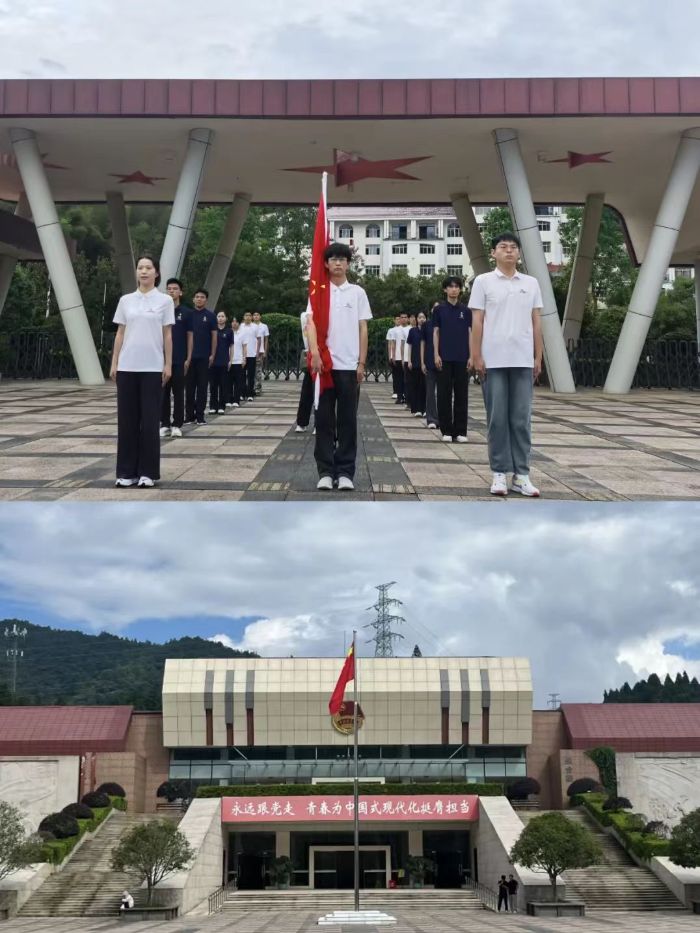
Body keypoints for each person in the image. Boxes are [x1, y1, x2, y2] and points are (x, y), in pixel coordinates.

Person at [469, 232, 543, 498]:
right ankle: (499, 472)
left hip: (522, 360)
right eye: (503, 247)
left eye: (513, 247)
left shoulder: (531, 283)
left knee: (521, 419)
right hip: (493, 360)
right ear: (494, 253)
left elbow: (536, 321)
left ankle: (521, 475)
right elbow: (477, 321)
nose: (509, 251)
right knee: (497, 419)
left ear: (519, 253)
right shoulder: (483, 281)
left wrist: (538, 356)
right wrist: (476, 355)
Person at [307, 242, 371, 491]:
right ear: (325, 263)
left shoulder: (357, 292)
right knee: (323, 419)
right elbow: (310, 324)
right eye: (333, 259)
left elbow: (363, 328)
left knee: (347, 420)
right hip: (323, 365)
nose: (337, 263)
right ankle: (324, 471)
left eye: (342, 259)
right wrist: (315, 354)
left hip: (349, 365)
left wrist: (362, 362)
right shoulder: (318, 292)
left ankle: (345, 471)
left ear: (348, 263)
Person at [110, 254, 174, 488]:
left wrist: (167, 364)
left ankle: (148, 472)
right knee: (127, 421)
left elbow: (167, 335)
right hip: (127, 367)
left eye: (148, 268)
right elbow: (120, 333)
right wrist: (114, 362)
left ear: (156, 273)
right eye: (140, 268)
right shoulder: (126, 300)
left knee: (149, 422)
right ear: (136, 272)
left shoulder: (165, 301)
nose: (144, 271)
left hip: (152, 368)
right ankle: (126, 473)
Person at [433, 275, 471, 443]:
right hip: (444, 357)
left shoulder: (466, 311)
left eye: (457, 286)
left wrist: (471, 355)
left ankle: (461, 431)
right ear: (445, 289)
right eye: (451, 286)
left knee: (462, 394)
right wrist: (436, 354)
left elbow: (470, 333)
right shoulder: (439, 310)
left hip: (463, 357)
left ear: (460, 289)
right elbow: (436, 332)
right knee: (444, 394)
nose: (454, 289)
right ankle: (446, 430)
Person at [160, 277, 192, 439]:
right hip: (162, 359)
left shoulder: (187, 313)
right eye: (169, 288)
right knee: (163, 393)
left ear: (181, 292)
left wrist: (188, 358)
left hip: (180, 359)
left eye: (174, 288)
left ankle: (177, 424)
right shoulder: (160, 310)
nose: (171, 291)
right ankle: (164, 423)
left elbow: (190, 337)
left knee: (178, 393)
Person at [185, 288, 217, 426]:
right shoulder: (188, 315)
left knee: (202, 388)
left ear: (206, 300)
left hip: (204, 357)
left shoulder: (210, 316)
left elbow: (214, 337)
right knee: (189, 388)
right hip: (190, 358)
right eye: (197, 296)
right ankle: (189, 416)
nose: (199, 299)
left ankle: (200, 416)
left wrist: (212, 354)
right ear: (193, 299)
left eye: (202, 297)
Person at [208, 311, 233, 414]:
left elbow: (231, 346)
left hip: (224, 361)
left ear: (226, 318)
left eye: (222, 316)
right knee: (213, 385)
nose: (220, 318)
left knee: (223, 385)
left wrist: (231, 360)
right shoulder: (213, 330)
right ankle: (213, 406)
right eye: (219, 316)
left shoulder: (229, 331)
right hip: (213, 362)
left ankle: (221, 406)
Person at [421, 302, 440, 429]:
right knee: (430, 392)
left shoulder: (445, 324)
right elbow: (422, 343)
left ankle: (442, 418)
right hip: (429, 361)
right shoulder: (426, 325)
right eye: (435, 308)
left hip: (443, 362)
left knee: (444, 392)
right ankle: (431, 419)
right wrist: (422, 362)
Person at [295, 307, 314, 433]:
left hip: (326, 356)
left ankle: (320, 423)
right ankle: (302, 422)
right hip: (311, 356)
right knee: (307, 392)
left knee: (322, 394)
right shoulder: (305, 316)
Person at [406, 311, 426, 417]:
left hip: (426, 363)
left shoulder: (428, 330)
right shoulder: (412, 331)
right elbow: (409, 346)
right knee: (415, 385)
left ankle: (425, 408)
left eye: (423, 317)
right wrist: (409, 360)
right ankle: (416, 408)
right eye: (419, 317)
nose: (421, 319)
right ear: (416, 319)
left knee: (425, 386)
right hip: (415, 361)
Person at [239, 311, 259, 401]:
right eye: (246, 315)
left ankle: (250, 394)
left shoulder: (255, 327)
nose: (247, 317)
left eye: (249, 315)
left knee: (251, 375)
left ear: (251, 317)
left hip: (252, 354)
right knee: (242, 375)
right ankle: (242, 393)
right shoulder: (240, 327)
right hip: (242, 355)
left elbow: (259, 340)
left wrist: (257, 352)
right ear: (243, 317)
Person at [391, 312, 408, 404]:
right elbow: (393, 343)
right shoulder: (395, 330)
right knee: (398, 378)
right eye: (402, 317)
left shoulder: (410, 329)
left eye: (405, 317)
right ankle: (399, 396)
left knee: (407, 378)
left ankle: (407, 396)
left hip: (407, 357)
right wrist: (393, 355)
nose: (403, 319)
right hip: (398, 357)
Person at [229, 318, 246, 408]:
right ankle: (229, 399)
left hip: (238, 360)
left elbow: (244, 347)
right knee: (229, 382)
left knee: (238, 381)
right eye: (233, 321)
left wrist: (244, 359)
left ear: (239, 323)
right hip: (228, 361)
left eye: (236, 321)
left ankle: (236, 400)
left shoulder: (242, 334)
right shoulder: (228, 332)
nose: (234, 323)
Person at [253, 311, 270, 396]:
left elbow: (266, 339)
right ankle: (251, 387)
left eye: (257, 315)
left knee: (258, 371)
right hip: (251, 351)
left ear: (260, 316)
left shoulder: (264, 326)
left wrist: (265, 351)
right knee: (251, 371)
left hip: (260, 351)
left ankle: (258, 388)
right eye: (254, 315)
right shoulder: (250, 326)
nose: (256, 316)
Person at [402, 313, 416, 411]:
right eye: (411, 317)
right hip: (408, 359)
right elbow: (403, 345)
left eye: (414, 317)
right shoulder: (405, 330)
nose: (413, 319)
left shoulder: (421, 329)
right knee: (408, 382)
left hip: (418, 360)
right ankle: (409, 402)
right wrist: (403, 359)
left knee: (417, 382)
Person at [386, 315, 400, 398]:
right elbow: (389, 343)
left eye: (399, 319)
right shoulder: (391, 330)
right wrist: (390, 355)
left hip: (401, 356)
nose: (398, 320)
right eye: (397, 319)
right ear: (394, 320)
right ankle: (395, 391)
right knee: (395, 374)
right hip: (393, 355)